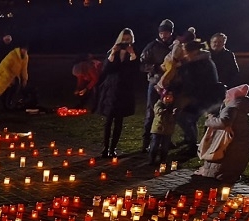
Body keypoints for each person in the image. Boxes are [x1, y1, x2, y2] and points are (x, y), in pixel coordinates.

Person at [171, 40, 222, 158]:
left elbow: (194, 83)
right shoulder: (199, 62)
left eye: (185, 51)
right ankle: (193, 142)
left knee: (185, 118)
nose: (183, 54)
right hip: (202, 97)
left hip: (205, 98)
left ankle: (194, 145)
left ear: (193, 52)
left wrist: (187, 98)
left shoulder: (200, 64)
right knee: (186, 118)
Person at [193, 84, 249, 184]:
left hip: (229, 144)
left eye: (227, 96)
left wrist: (210, 120)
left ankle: (217, 177)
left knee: (222, 160)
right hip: (241, 143)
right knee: (234, 162)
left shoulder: (231, 108)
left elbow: (224, 122)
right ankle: (229, 176)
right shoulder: (242, 109)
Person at [93, 28, 139, 158]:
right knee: (108, 120)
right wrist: (113, 53)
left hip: (124, 90)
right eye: (123, 39)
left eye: (128, 40)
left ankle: (113, 148)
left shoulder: (134, 52)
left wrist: (132, 55)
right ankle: (105, 147)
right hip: (111, 89)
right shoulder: (113, 51)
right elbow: (106, 69)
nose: (125, 42)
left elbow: (135, 70)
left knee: (119, 121)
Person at [139, 18, 175, 153]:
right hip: (155, 84)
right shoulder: (151, 47)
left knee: (169, 113)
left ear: (171, 33)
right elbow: (142, 65)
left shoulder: (175, 47)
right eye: (161, 33)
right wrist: (156, 68)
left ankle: (166, 139)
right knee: (151, 112)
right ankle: (146, 141)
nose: (163, 35)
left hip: (171, 84)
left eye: (166, 32)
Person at [0, 42, 29, 110]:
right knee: (5, 90)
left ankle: (9, 103)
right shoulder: (12, 55)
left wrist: (25, 79)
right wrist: (10, 78)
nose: (24, 51)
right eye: (23, 50)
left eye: (25, 50)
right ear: (20, 49)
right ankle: (5, 105)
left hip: (13, 75)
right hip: (3, 74)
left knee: (14, 88)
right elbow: (5, 67)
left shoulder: (25, 57)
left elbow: (24, 69)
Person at [149, 90, 176, 165]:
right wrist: (164, 110)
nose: (168, 98)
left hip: (168, 130)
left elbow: (175, 116)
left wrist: (174, 113)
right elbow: (158, 110)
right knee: (155, 145)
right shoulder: (159, 104)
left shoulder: (173, 106)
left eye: (170, 97)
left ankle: (163, 160)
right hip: (158, 129)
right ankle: (152, 160)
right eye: (166, 97)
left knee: (165, 146)